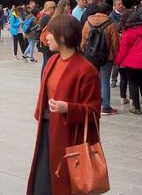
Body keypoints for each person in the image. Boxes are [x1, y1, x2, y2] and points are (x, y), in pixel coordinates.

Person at [28, 13, 101, 194]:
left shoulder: (86, 70)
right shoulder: (52, 60)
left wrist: (68, 108)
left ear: (62, 36)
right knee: (43, 179)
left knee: (62, 183)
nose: (46, 36)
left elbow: (93, 110)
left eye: (50, 32)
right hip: (47, 128)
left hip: (69, 136)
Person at [82, 1, 121, 115]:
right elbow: (115, 43)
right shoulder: (111, 24)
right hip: (106, 57)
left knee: (94, 80)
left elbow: (83, 40)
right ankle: (106, 106)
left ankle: (94, 103)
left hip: (91, 56)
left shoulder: (87, 22)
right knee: (105, 81)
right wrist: (115, 56)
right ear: (108, 12)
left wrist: (86, 53)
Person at [115, 8, 142, 114]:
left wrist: (117, 61)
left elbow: (123, 50)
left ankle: (136, 108)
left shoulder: (128, 33)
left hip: (131, 63)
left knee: (133, 83)